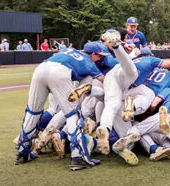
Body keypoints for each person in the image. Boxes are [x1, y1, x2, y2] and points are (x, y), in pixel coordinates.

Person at [15, 41, 107, 170]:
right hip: (60, 74)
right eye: (99, 56)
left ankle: (22, 153)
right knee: (72, 114)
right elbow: (104, 80)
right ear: (93, 54)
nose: (100, 59)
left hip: (41, 69)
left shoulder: (70, 50)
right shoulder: (89, 62)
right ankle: (78, 157)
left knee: (32, 113)